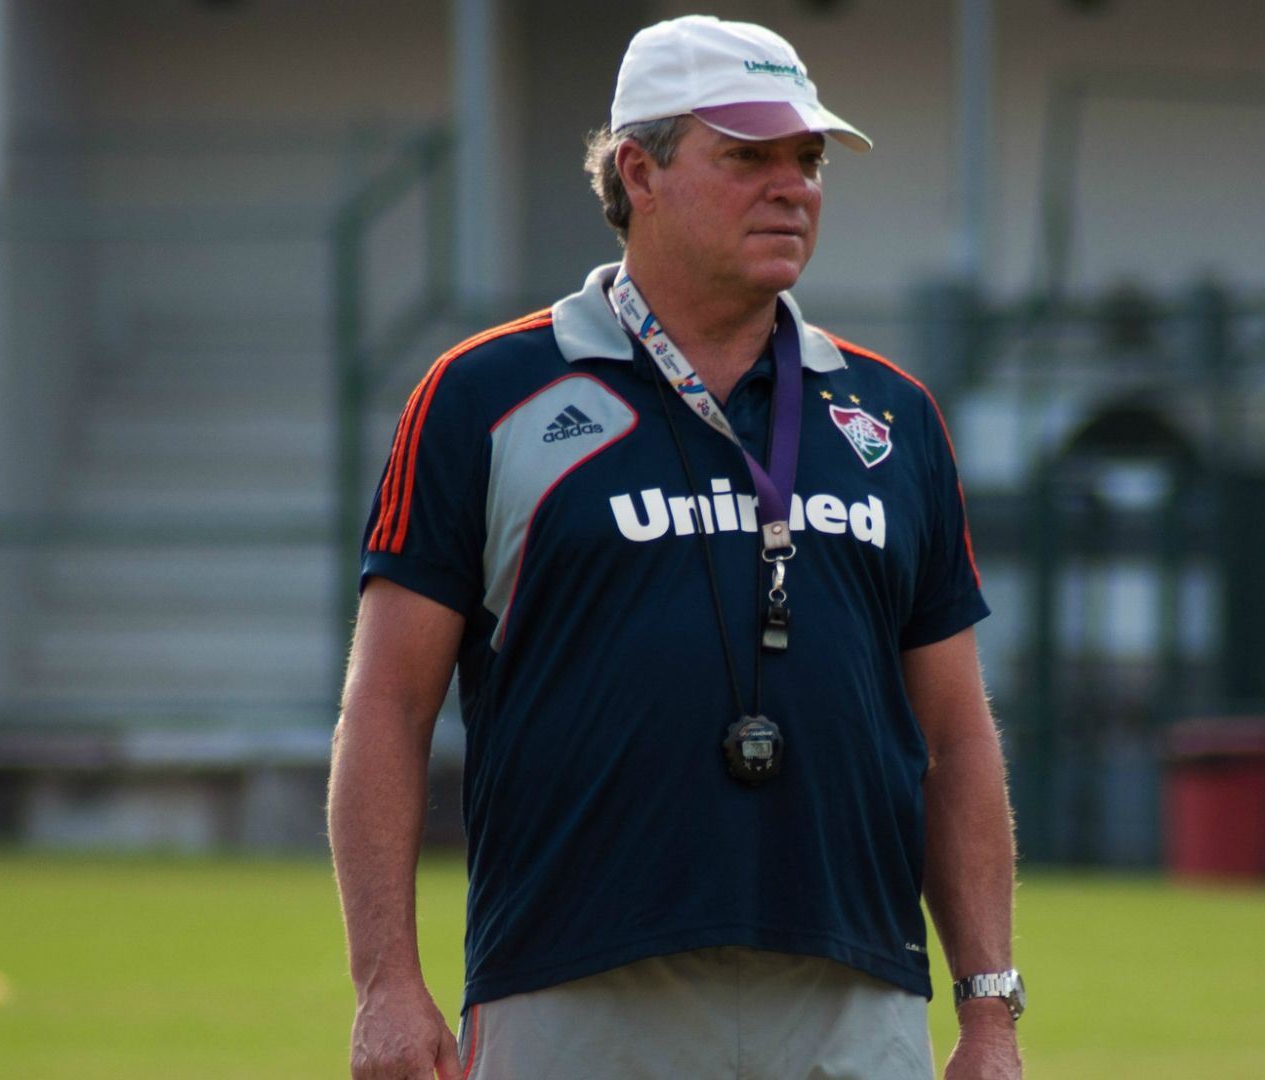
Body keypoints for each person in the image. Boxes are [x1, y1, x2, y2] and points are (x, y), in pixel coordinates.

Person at [329, 15, 1021, 1079]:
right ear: (639, 172)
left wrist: (989, 1012)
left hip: (854, 1000)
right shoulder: (483, 394)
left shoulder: (893, 415)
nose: (792, 188)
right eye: (748, 157)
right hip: (573, 989)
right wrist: (385, 984)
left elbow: (957, 736)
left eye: (809, 159)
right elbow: (387, 704)